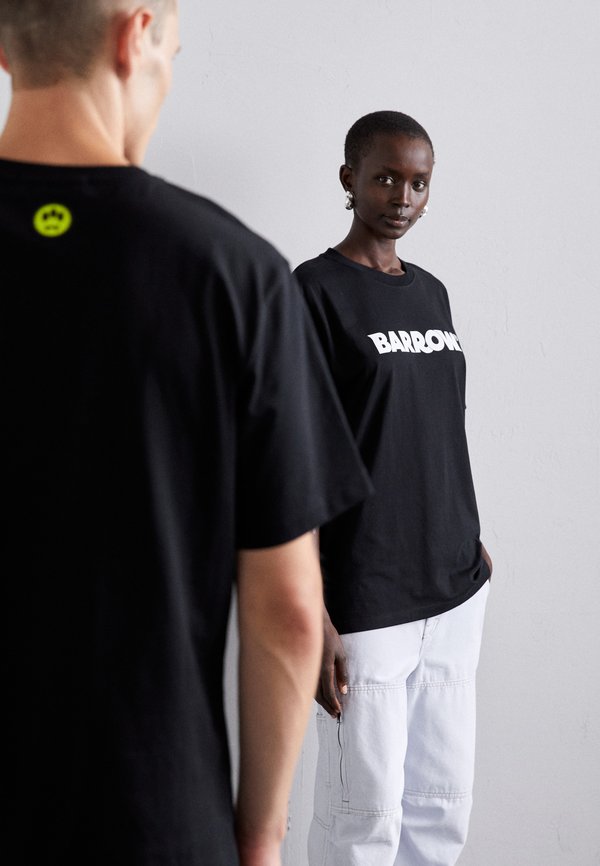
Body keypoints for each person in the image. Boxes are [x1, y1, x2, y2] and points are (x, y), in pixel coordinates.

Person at [0, 3, 371, 865]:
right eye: (173, 49)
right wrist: (260, 839)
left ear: (7, 51)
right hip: (149, 818)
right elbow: (289, 611)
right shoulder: (233, 274)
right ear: (136, 37)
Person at [294, 111, 494, 866]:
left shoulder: (432, 293)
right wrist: (313, 605)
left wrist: (469, 538)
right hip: (366, 589)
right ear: (349, 179)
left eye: (418, 182)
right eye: (384, 178)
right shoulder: (314, 291)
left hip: (453, 585)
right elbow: (292, 452)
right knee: (363, 817)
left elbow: (436, 423)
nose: (402, 197)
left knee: (440, 809)